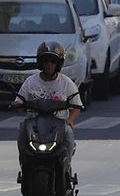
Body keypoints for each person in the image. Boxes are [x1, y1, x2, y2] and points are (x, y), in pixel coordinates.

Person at [12, 43, 85, 182]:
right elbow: (18, 102)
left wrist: (70, 121)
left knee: (69, 134)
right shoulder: (30, 82)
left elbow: (77, 106)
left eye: (53, 62)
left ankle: (66, 168)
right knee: (21, 134)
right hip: (34, 123)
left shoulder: (66, 83)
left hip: (59, 123)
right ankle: (25, 169)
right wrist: (17, 105)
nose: (49, 65)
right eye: (46, 61)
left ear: (58, 64)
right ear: (40, 63)